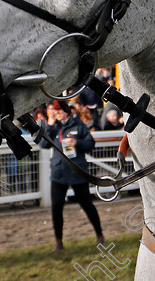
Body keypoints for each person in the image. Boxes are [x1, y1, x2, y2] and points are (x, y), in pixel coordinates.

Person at [37, 101, 104, 251]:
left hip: (77, 172)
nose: (58, 113)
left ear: (67, 111)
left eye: (60, 110)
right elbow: (43, 144)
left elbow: (90, 144)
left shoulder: (78, 124)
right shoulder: (53, 127)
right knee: (56, 208)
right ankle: (58, 242)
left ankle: (99, 235)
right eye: (55, 110)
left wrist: (77, 142)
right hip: (58, 173)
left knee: (87, 204)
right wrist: (49, 124)